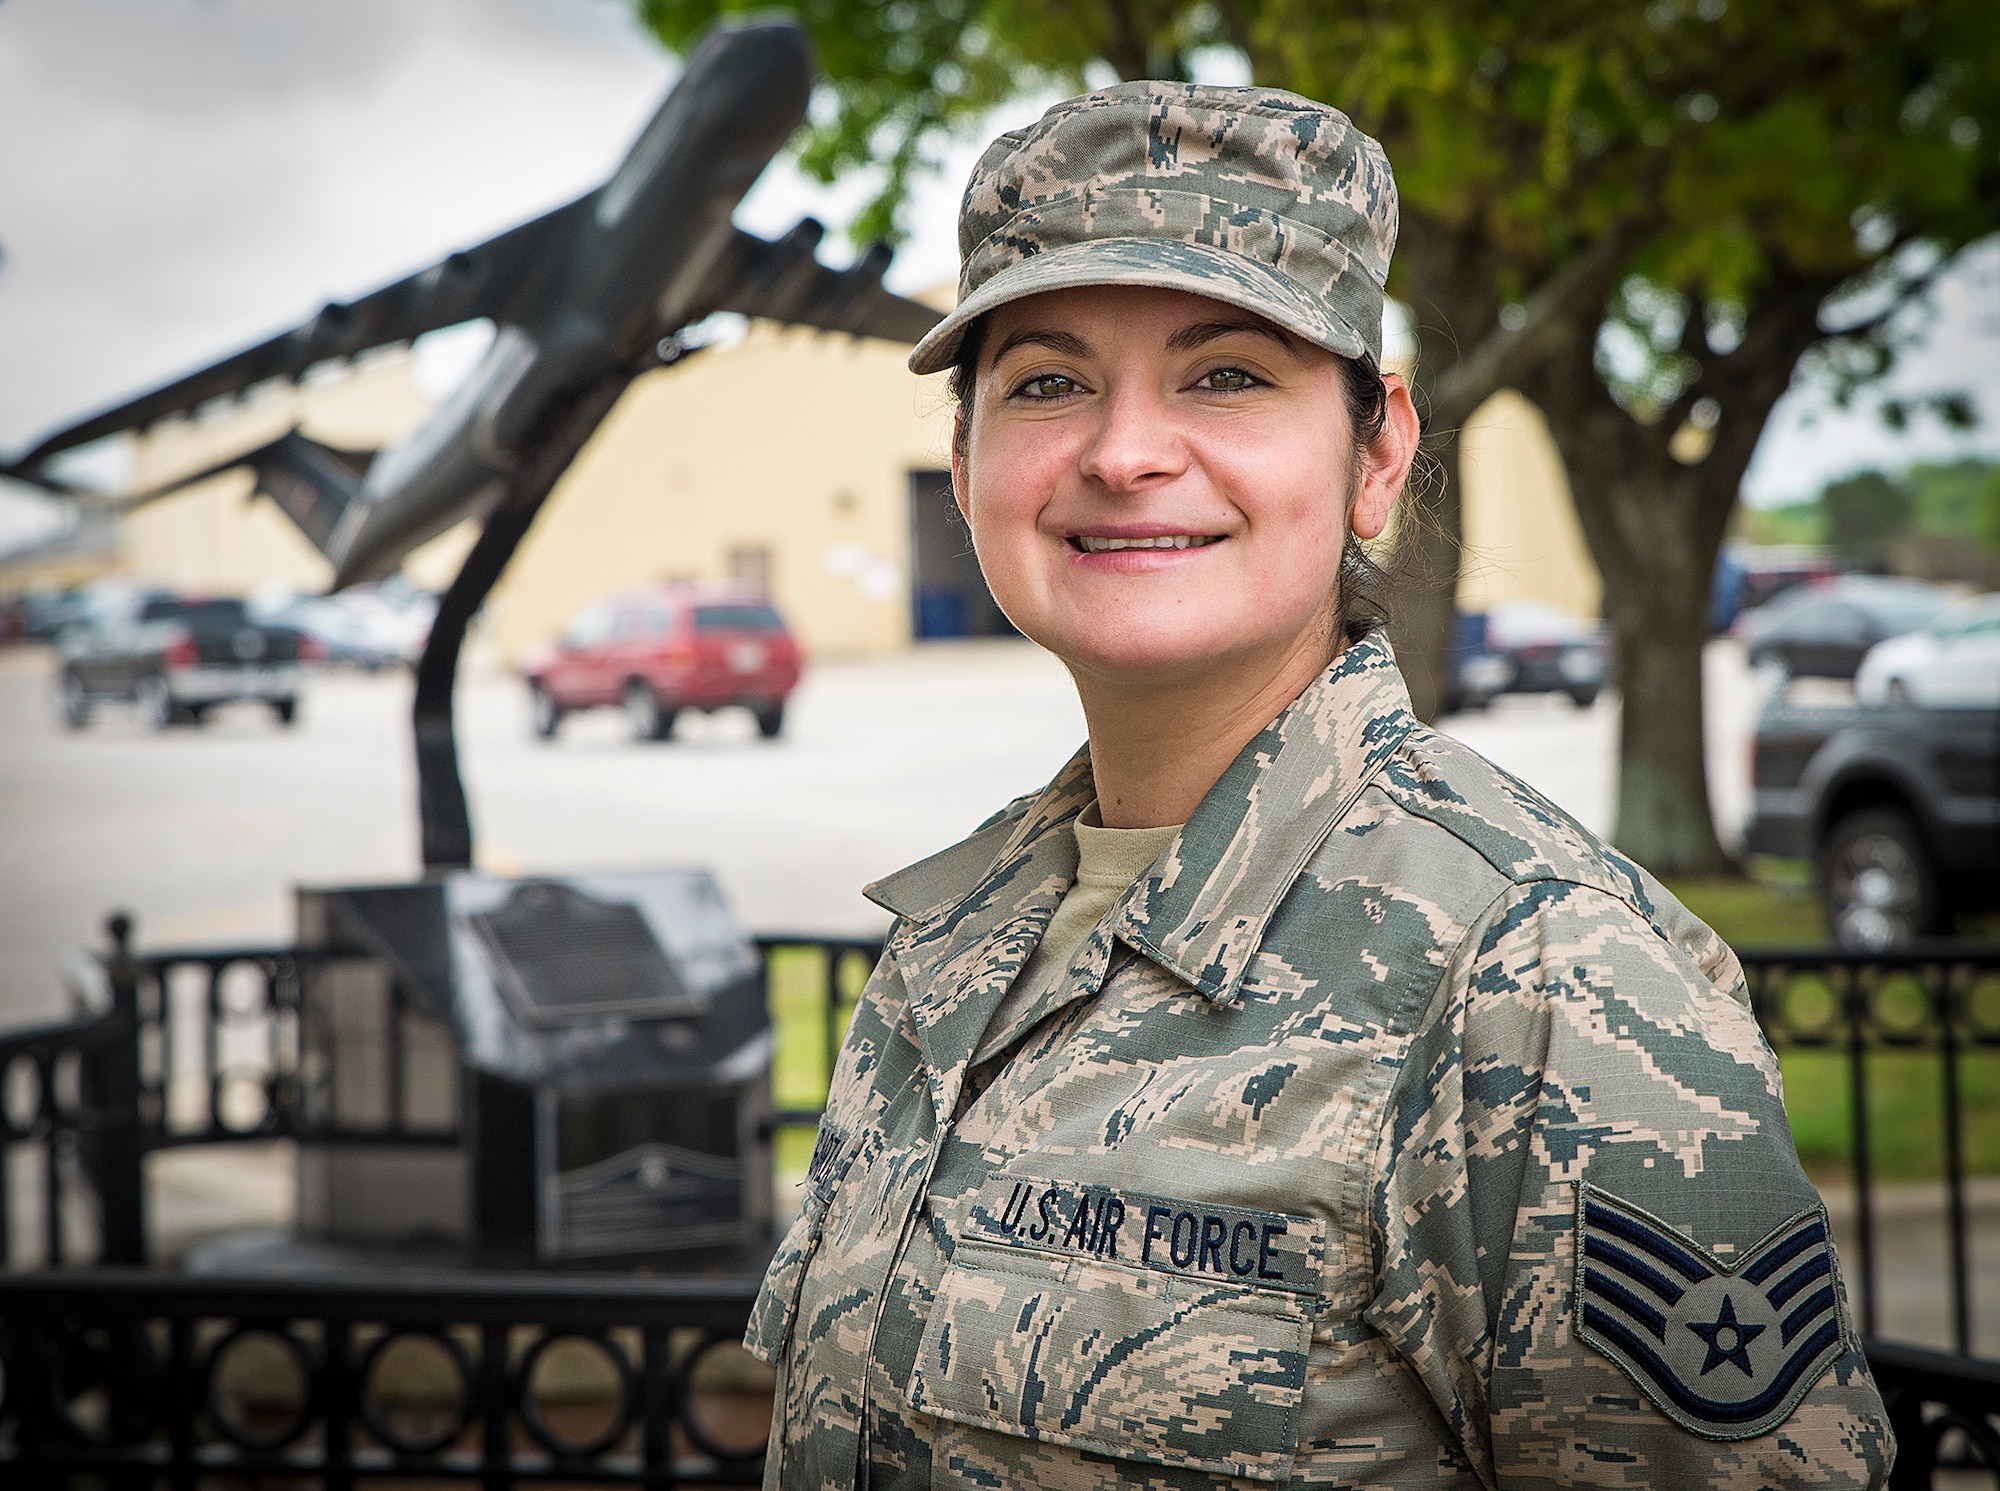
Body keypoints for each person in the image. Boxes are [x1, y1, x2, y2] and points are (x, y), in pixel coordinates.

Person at [746, 81, 1892, 1489]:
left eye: (1228, 374)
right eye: (1046, 382)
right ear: (969, 459)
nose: (1123, 453)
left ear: (1378, 452)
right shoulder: (956, 943)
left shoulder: (1541, 982)